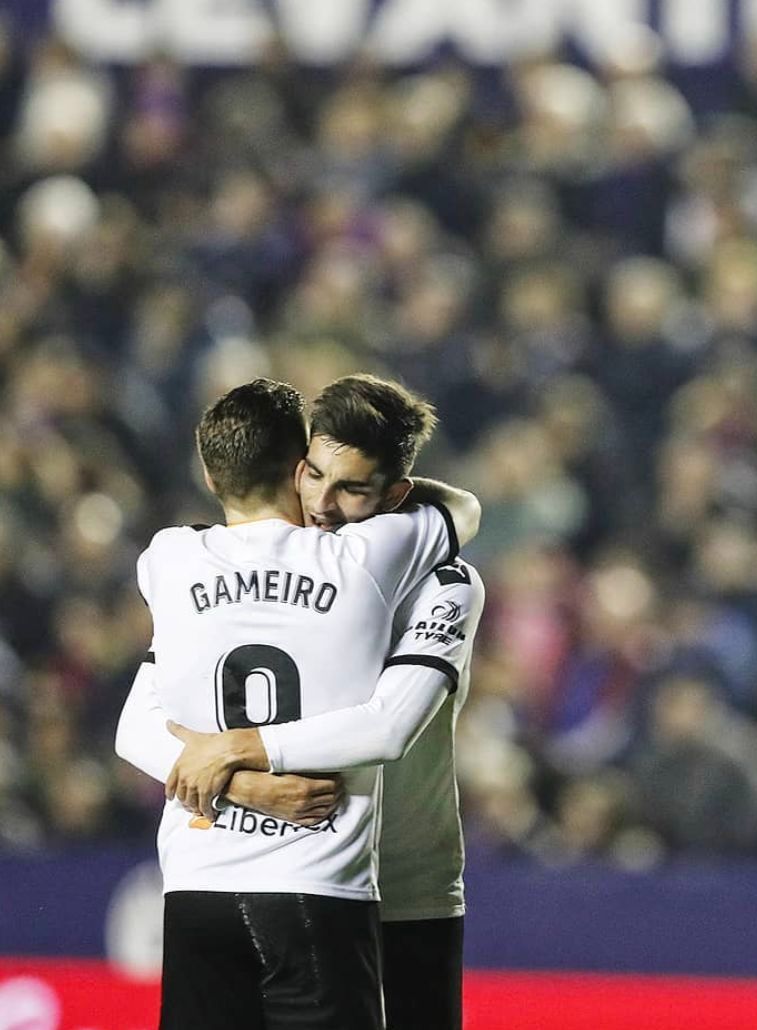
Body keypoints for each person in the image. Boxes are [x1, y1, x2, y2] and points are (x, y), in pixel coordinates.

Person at [117, 373, 484, 1030]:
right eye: (312, 474)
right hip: (313, 877)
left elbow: (391, 723)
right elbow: (141, 722)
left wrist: (237, 753)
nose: (320, 501)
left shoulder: (445, 580)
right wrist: (251, 786)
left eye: (351, 488)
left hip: (407, 889)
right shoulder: (229, 568)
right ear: (293, 463)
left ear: (395, 493)